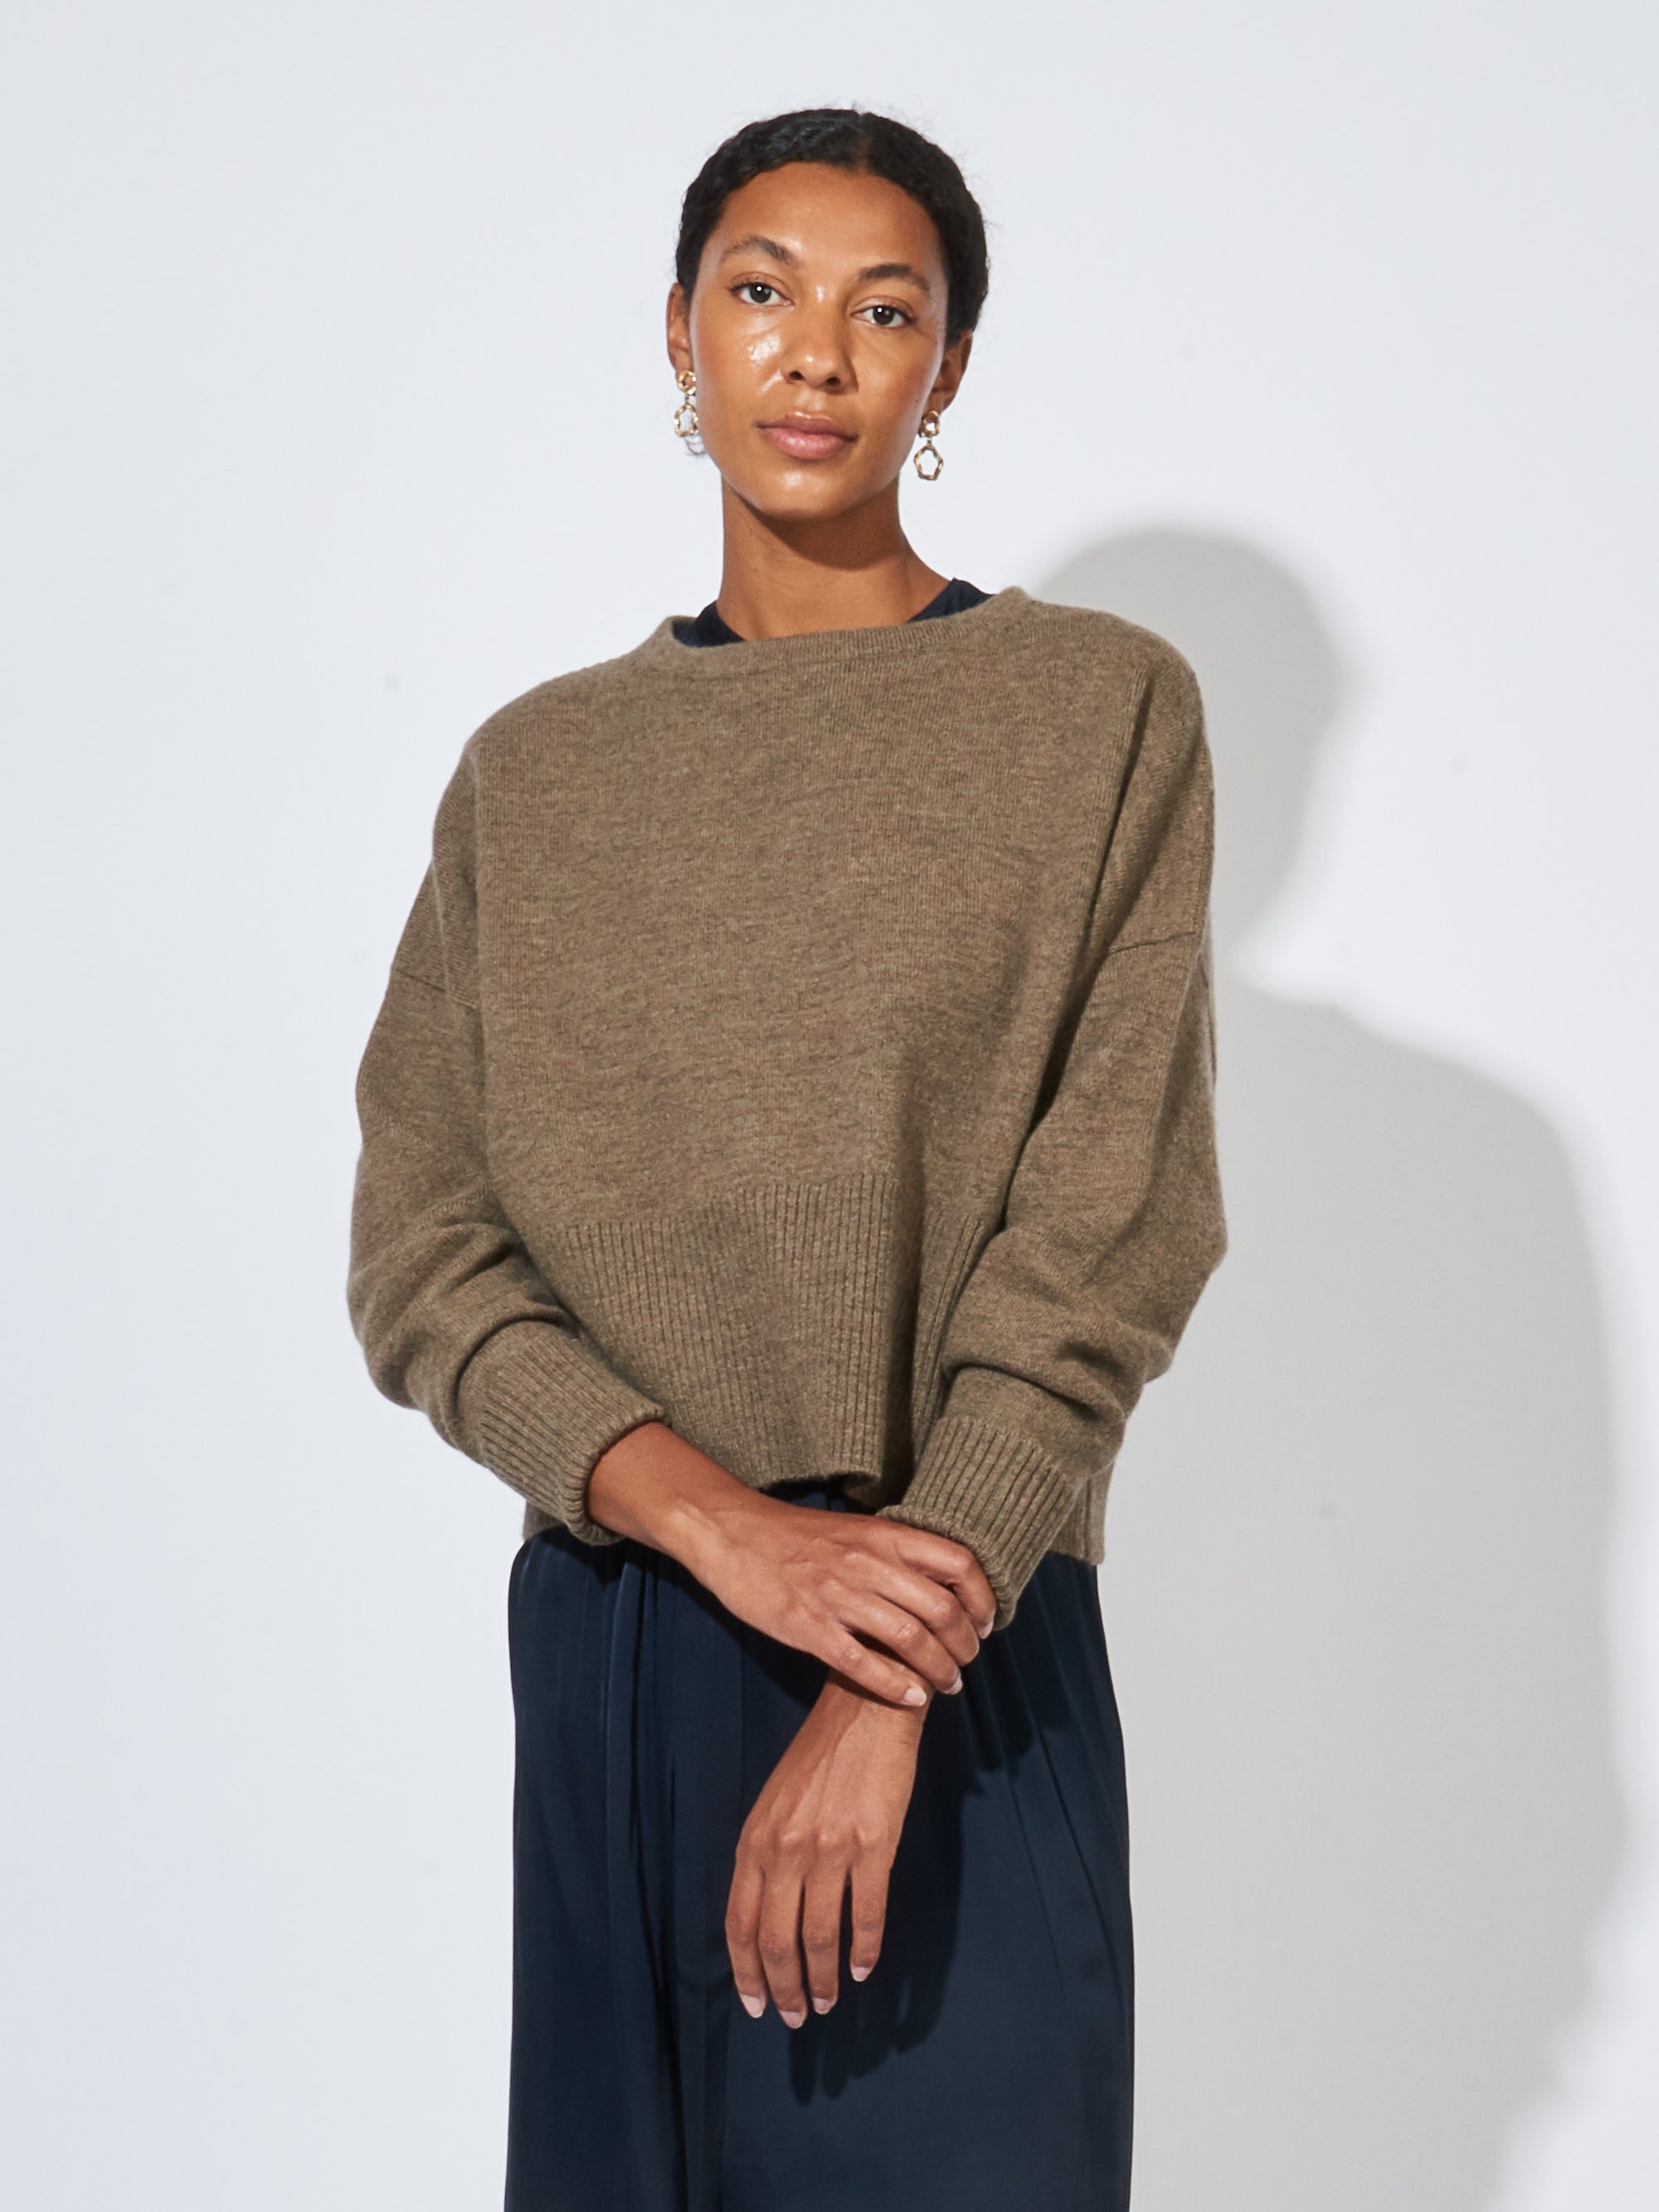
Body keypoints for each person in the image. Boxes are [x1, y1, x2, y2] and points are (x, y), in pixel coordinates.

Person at [348, 105, 1226, 2212]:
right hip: (625, 1623)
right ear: (679, 333)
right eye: (759, 290)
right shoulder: (535, 774)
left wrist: (883, 1655)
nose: (814, 351)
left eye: (883, 309)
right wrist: (728, 1535)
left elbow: (1112, 1232)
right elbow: (423, 1248)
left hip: (958, 1617)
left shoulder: (1097, 711)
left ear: (947, 370)